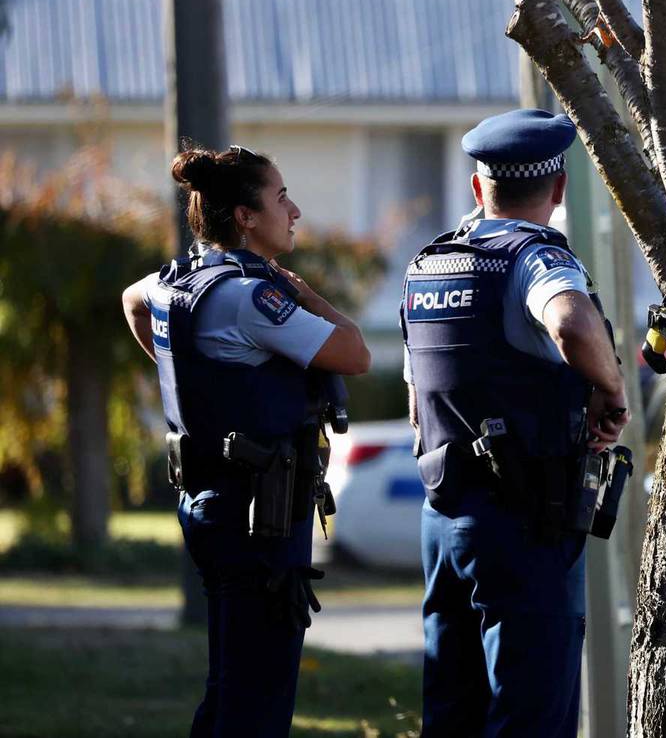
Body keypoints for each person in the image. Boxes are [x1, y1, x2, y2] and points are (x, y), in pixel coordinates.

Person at [120, 144, 370, 736]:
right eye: (281, 198)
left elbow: (134, 300)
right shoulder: (250, 297)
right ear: (246, 218)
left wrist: (180, 369)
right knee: (257, 701)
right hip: (260, 519)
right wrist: (305, 293)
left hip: (212, 504)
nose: (295, 211)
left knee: (231, 686)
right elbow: (355, 352)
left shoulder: (181, 279)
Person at [401, 108, 630, 736]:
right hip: (526, 517)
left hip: (444, 516)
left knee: (452, 710)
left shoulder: (430, 266)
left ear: (479, 187)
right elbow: (571, 323)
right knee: (532, 710)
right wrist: (611, 389)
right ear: (557, 190)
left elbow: (417, 397)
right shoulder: (533, 258)